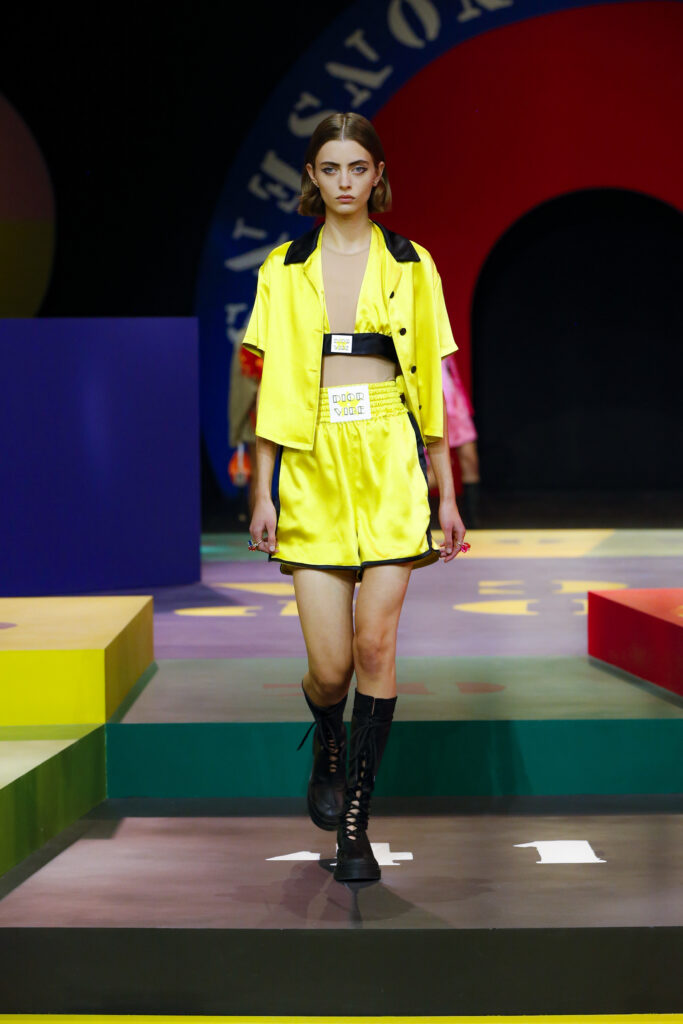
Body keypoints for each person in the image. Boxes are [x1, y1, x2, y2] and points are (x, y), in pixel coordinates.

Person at [241, 112, 466, 884]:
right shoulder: (282, 268)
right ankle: (327, 739)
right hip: (310, 464)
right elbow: (272, 389)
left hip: (389, 458)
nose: (344, 182)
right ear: (312, 176)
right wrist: (262, 491)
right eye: (330, 168)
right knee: (331, 669)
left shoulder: (412, 264)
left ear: (378, 175)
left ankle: (355, 827)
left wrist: (445, 494)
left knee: (375, 646)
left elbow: (429, 392)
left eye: (357, 168)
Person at [425, 353, 481, 527]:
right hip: (430, 404)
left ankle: (472, 521)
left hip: (454, 404)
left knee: (470, 459)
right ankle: (406, 501)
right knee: (435, 470)